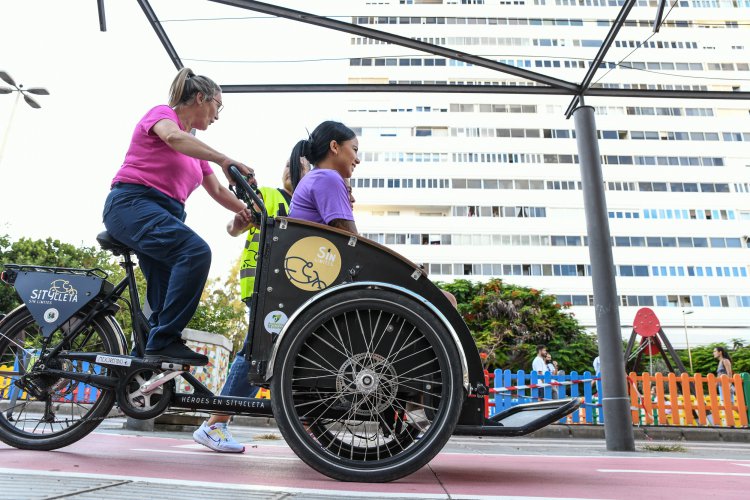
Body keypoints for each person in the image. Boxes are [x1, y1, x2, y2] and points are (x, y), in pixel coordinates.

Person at [102, 67, 252, 366]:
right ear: (200, 98)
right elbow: (172, 138)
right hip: (132, 204)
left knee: (163, 301)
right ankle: (165, 341)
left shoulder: (196, 149)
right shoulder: (162, 115)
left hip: (162, 215)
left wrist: (250, 213)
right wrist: (223, 158)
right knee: (195, 252)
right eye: (217, 106)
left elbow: (219, 190)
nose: (217, 116)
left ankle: (137, 368)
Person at [193, 158, 310, 453]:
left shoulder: (306, 205)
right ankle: (215, 423)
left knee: (265, 351)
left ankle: (218, 422)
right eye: (288, 164)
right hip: (262, 285)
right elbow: (234, 227)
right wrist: (239, 222)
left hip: (282, 287)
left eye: (302, 166)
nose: (291, 169)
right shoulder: (271, 195)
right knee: (253, 351)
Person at [288, 120, 458, 309]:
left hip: (319, 271)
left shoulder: (314, 178)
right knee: (446, 300)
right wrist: (407, 270)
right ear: (334, 147)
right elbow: (354, 243)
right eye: (354, 149)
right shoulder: (328, 178)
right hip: (328, 276)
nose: (357, 159)